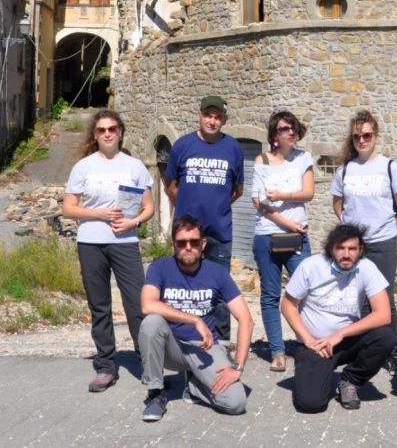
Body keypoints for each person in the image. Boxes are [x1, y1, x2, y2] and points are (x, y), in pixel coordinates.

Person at [61, 108, 154, 393]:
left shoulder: (134, 166)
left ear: (120, 131)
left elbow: (148, 207)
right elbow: (68, 208)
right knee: (99, 307)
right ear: (95, 134)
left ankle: (148, 362)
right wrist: (99, 213)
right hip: (91, 243)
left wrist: (134, 220)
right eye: (101, 130)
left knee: (138, 305)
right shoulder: (83, 167)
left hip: (125, 243)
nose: (107, 134)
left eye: (112, 128)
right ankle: (105, 366)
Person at [139, 214, 254, 422]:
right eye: (182, 243)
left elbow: (246, 319)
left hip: (204, 349)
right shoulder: (159, 268)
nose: (188, 247)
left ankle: (194, 386)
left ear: (203, 244)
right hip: (170, 347)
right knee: (151, 322)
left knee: (236, 403)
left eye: (193, 242)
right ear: (174, 245)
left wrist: (238, 367)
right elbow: (148, 304)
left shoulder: (217, 272)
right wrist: (195, 319)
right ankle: (155, 393)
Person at [281, 224, 397, 413]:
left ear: (361, 250)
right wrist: (308, 339)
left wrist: (340, 334)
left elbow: (383, 314)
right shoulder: (311, 266)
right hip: (315, 344)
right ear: (331, 249)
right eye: (340, 248)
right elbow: (288, 305)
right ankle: (312, 371)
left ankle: (350, 380)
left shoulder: (367, 267)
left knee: (386, 336)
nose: (346, 254)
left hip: (346, 341)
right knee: (311, 404)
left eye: (352, 249)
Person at [164, 94, 245, 344]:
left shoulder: (233, 148)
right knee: (184, 288)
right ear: (199, 115)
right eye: (208, 115)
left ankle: (220, 343)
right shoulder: (182, 146)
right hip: (186, 234)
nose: (212, 121)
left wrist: (217, 207)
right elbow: (170, 184)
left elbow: (238, 190)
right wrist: (188, 208)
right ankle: (184, 339)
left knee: (219, 291)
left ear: (224, 119)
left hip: (219, 232)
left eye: (217, 117)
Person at [330, 110, 397, 350]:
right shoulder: (345, 169)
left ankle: (391, 351)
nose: (362, 140)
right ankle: (363, 347)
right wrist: (347, 224)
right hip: (356, 247)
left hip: (383, 243)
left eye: (366, 135)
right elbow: (337, 201)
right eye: (357, 137)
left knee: (385, 298)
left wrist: (393, 234)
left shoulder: (390, 167)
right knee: (358, 296)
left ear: (376, 136)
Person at [251, 110, 315, 372]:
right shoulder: (262, 160)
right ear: (274, 136)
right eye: (284, 129)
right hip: (268, 235)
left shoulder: (303, 158)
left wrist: (283, 194)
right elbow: (258, 201)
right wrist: (287, 222)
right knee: (269, 295)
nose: (291, 132)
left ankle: (306, 343)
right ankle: (277, 350)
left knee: (307, 292)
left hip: (297, 238)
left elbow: (308, 193)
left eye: (293, 128)